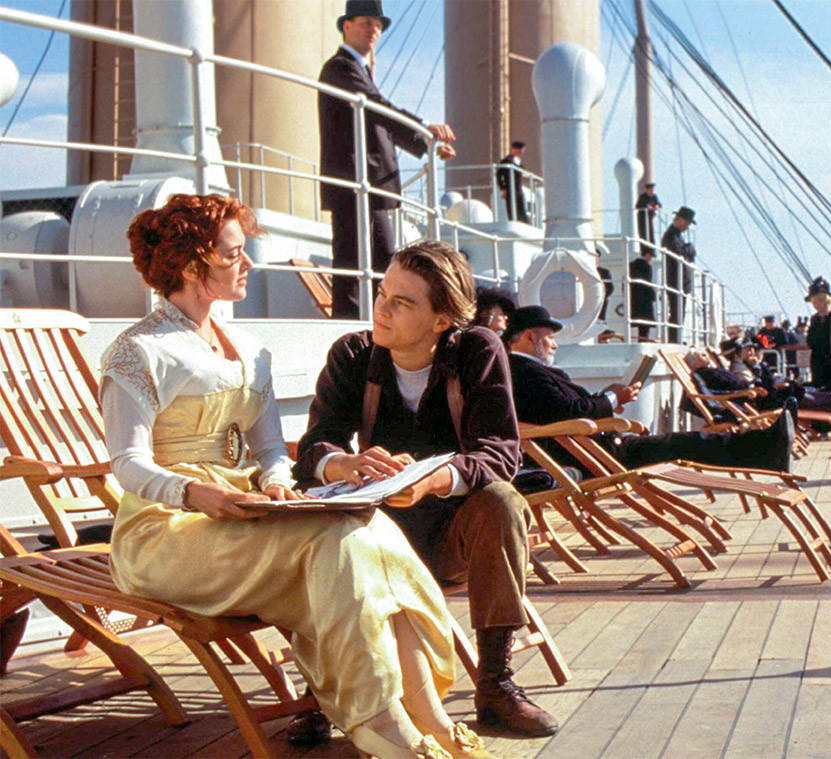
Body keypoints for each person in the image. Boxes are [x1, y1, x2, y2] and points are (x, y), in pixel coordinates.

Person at [103, 194, 489, 759]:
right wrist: (194, 492)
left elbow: (268, 450)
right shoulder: (138, 351)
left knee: (365, 527)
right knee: (338, 546)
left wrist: (276, 484)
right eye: (233, 254)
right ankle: (381, 721)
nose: (248, 263)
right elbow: (127, 463)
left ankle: (427, 716)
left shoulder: (249, 350)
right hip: (166, 531)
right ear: (190, 265)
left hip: (243, 515)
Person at [293, 241, 559, 738]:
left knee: (503, 502)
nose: (382, 309)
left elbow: (500, 454)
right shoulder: (354, 355)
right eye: (382, 294)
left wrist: (431, 479)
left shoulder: (476, 351)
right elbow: (314, 447)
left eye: (402, 302)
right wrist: (345, 463)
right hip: (372, 539)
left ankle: (495, 685)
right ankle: (323, 689)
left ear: (441, 320)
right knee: (319, 524)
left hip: (451, 539)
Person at [503, 307, 795, 472]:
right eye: (550, 337)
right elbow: (569, 413)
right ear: (530, 337)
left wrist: (607, 396)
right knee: (688, 442)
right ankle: (766, 451)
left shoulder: (527, 371)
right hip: (593, 456)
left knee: (688, 441)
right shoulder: (527, 373)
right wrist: (613, 398)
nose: (555, 344)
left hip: (593, 448)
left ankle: (765, 447)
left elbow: (561, 409)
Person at [319, 0, 457, 318]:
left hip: (371, 185)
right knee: (353, 263)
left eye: (378, 25)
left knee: (383, 264)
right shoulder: (339, 68)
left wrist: (428, 143)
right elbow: (377, 108)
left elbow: (379, 118)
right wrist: (424, 129)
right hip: (354, 184)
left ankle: (382, 326)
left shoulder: (359, 71)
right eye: (366, 22)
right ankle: (350, 327)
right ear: (346, 26)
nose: (374, 30)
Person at [659, 206, 696, 343]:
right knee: (676, 312)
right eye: (687, 223)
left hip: (680, 281)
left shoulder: (676, 236)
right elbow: (678, 252)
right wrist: (690, 248)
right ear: (680, 220)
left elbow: (684, 252)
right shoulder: (671, 236)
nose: (687, 226)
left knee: (678, 313)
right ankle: (674, 339)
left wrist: (688, 250)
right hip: (675, 280)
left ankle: (676, 338)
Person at [805, 276, 831, 391]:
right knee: (818, 385)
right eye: (814, 303)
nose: (815, 305)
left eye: (817, 302)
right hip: (818, 359)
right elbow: (811, 339)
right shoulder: (815, 319)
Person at [496, 141, 528, 223]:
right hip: (510, 188)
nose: (521, 153)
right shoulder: (506, 161)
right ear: (514, 149)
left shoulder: (518, 162)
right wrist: (503, 188)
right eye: (520, 150)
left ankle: (524, 223)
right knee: (512, 210)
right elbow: (499, 175)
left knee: (522, 210)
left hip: (518, 189)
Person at [629, 248, 657, 340]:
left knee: (636, 322)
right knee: (645, 325)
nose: (651, 259)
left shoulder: (631, 265)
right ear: (647, 255)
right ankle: (643, 340)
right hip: (645, 299)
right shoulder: (646, 266)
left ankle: (638, 340)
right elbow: (647, 282)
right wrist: (653, 296)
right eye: (651, 256)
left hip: (634, 298)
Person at [634, 182, 661, 248]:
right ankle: (644, 250)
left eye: (652, 189)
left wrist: (657, 206)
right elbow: (638, 206)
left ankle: (651, 250)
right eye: (650, 189)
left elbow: (659, 204)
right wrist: (646, 207)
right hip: (642, 219)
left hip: (650, 218)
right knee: (643, 234)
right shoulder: (642, 197)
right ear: (647, 189)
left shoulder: (654, 197)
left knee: (651, 234)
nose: (652, 191)